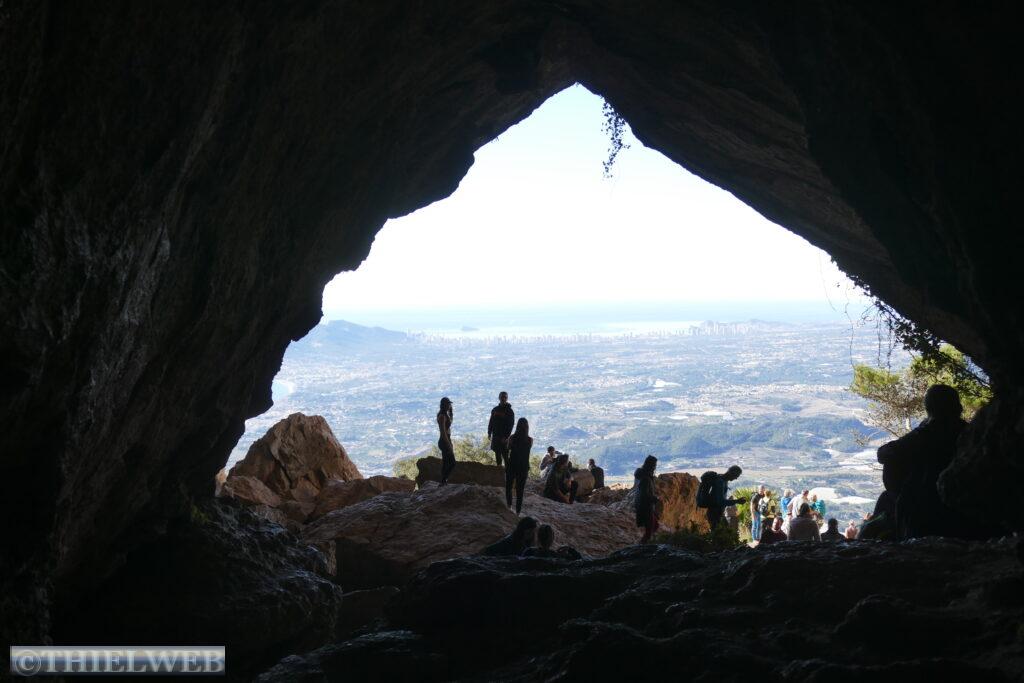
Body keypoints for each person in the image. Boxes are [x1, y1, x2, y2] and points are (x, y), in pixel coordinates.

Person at [876, 384, 968, 539]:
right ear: (957, 407)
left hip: (922, 504)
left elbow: (884, 453)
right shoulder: (968, 431)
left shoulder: (926, 434)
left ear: (929, 409)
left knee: (885, 502)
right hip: (963, 503)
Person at [506, 417, 532, 514]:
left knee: (509, 486)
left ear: (517, 426)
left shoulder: (512, 438)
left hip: (512, 464)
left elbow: (508, 448)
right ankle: (518, 512)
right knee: (520, 490)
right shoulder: (530, 440)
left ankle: (509, 506)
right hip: (523, 467)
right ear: (527, 427)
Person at [635, 455, 660, 543]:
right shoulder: (646, 478)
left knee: (655, 525)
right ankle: (641, 548)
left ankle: (644, 545)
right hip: (646, 507)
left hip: (642, 506)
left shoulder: (641, 475)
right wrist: (655, 498)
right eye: (654, 465)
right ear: (651, 465)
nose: (655, 467)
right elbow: (645, 495)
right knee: (650, 531)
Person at [487, 391, 515, 468]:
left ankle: (508, 474)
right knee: (497, 454)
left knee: (505, 455)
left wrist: (506, 437)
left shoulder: (510, 411)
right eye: (502, 397)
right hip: (496, 435)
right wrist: (489, 432)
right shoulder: (495, 410)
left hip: (504, 437)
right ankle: (499, 472)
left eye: (505, 397)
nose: (503, 398)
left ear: (507, 398)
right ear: (499, 398)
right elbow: (491, 421)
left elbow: (511, 425)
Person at [437, 397, 455, 485]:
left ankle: (443, 481)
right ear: (444, 405)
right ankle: (444, 480)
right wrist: (449, 444)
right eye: (448, 404)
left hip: (446, 440)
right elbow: (443, 432)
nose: (449, 405)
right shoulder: (442, 416)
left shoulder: (445, 414)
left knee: (445, 462)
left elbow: (450, 421)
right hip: (444, 441)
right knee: (452, 462)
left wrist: (451, 411)